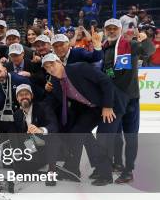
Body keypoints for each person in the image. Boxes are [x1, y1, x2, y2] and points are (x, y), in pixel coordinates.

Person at [42, 53, 121, 186]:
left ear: (60, 62)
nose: (51, 68)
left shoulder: (79, 68)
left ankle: (106, 175)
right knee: (77, 133)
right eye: (47, 67)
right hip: (91, 110)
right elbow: (56, 100)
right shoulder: (54, 82)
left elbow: (106, 82)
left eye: (52, 64)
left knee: (103, 138)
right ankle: (82, 167)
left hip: (111, 106)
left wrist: (108, 106)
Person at [100, 18, 155, 183]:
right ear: (105, 30)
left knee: (131, 136)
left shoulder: (130, 44)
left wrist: (145, 40)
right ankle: (117, 163)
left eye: (114, 28)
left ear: (120, 30)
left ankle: (129, 170)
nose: (111, 31)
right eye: (108, 28)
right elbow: (108, 73)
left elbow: (149, 51)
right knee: (116, 136)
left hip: (130, 100)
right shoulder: (105, 48)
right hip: (115, 102)